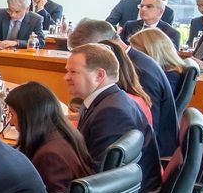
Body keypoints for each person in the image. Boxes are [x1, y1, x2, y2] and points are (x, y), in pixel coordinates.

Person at [65, 43, 161, 193]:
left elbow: (99, 177)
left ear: (99, 75)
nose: (66, 77)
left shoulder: (111, 113)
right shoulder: (109, 100)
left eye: (73, 72)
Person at [71, 17, 177, 161]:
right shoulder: (133, 60)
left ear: (104, 47)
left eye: (87, 56)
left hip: (147, 158)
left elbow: (148, 128)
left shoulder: (141, 71)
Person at [6, 80, 92, 193]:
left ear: (29, 115)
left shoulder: (50, 157)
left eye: (12, 114)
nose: (11, 122)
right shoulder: (62, 134)